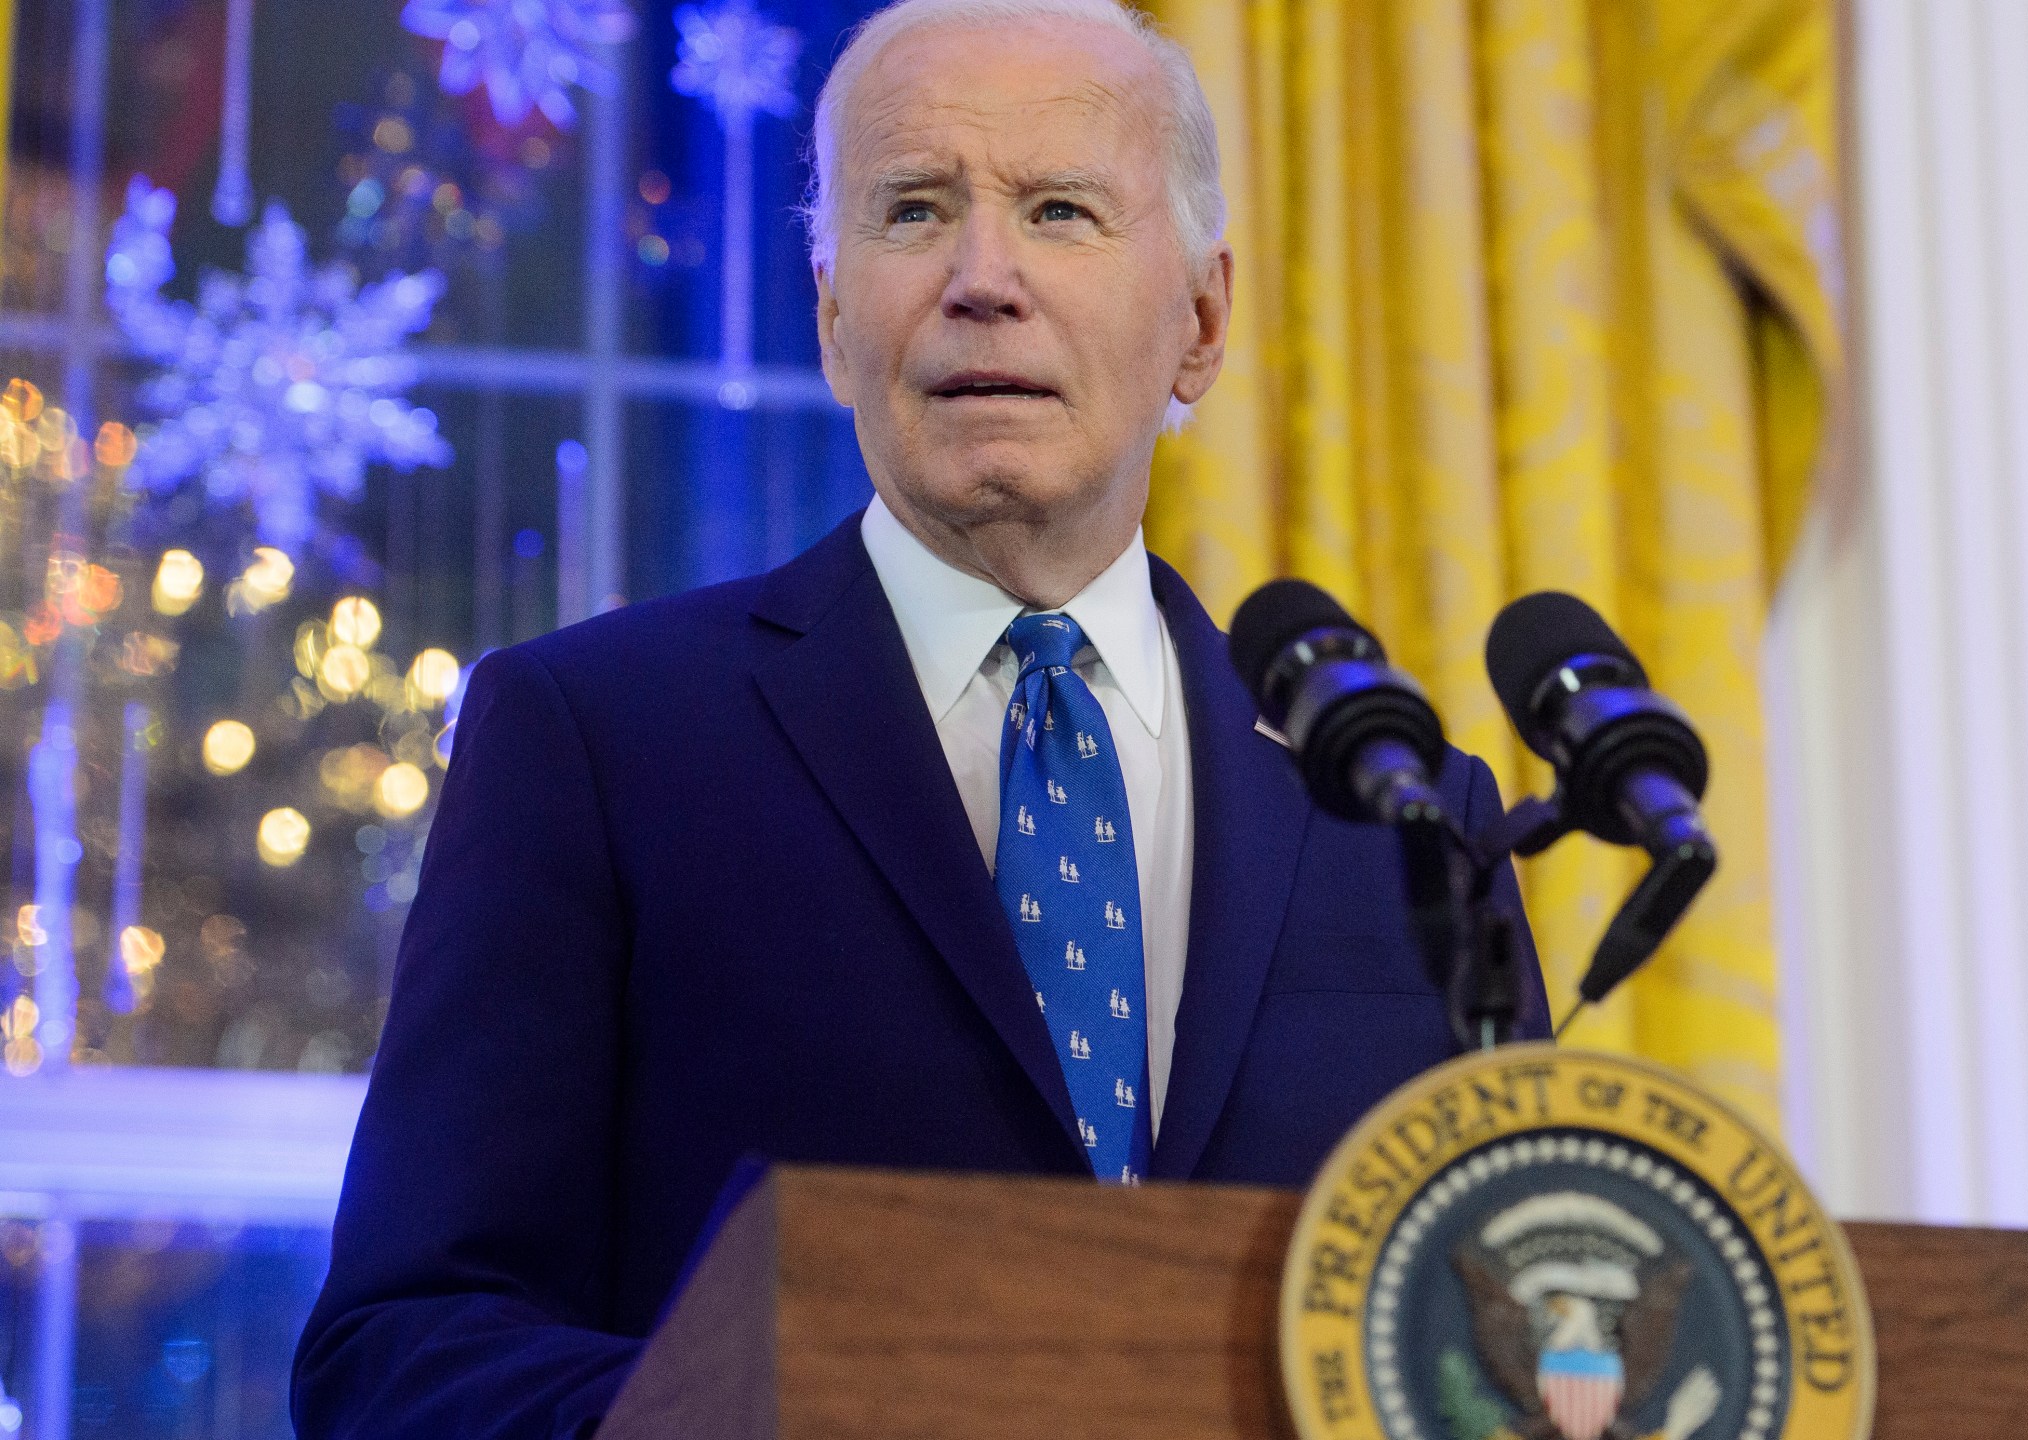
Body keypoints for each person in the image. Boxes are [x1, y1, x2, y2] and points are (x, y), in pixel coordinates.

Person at [290, 1, 1545, 1435]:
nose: (982, 278)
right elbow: (401, 1355)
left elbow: (1511, 1335)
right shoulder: (597, 741)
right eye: (913, 211)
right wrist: (795, 1404)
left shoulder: (1399, 811)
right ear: (833, 318)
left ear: (1200, 321)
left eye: (1061, 210)